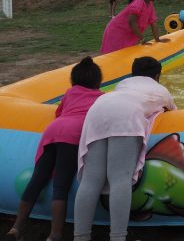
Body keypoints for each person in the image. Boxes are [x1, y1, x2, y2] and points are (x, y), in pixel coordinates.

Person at [74, 56, 176, 241]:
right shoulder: (161, 90)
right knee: (120, 179)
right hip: (126, 115)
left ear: (133, 73)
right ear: (158, 75)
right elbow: (176, 116)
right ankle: (118, 237)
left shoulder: (122, 85)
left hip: (98, 109)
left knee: (90, 181)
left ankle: (80, 237)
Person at [6, 57, 103, 241]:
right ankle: (55, 234)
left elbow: (58, 112)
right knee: (61, 187)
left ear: (73, 80)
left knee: (36, 181)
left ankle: (16, 227)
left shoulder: (70, 92)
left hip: (52, 131)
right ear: (98, 81)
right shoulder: (101, 97)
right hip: (72, 135)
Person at [100, 0, 170, 54]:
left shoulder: (150, 5)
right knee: (114, 55)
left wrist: (157, 39)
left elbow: (153, 23)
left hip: (127, 34)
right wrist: (142, 39)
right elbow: (132, 22)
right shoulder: (138, 3)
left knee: (125, 55)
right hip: (116, 32)